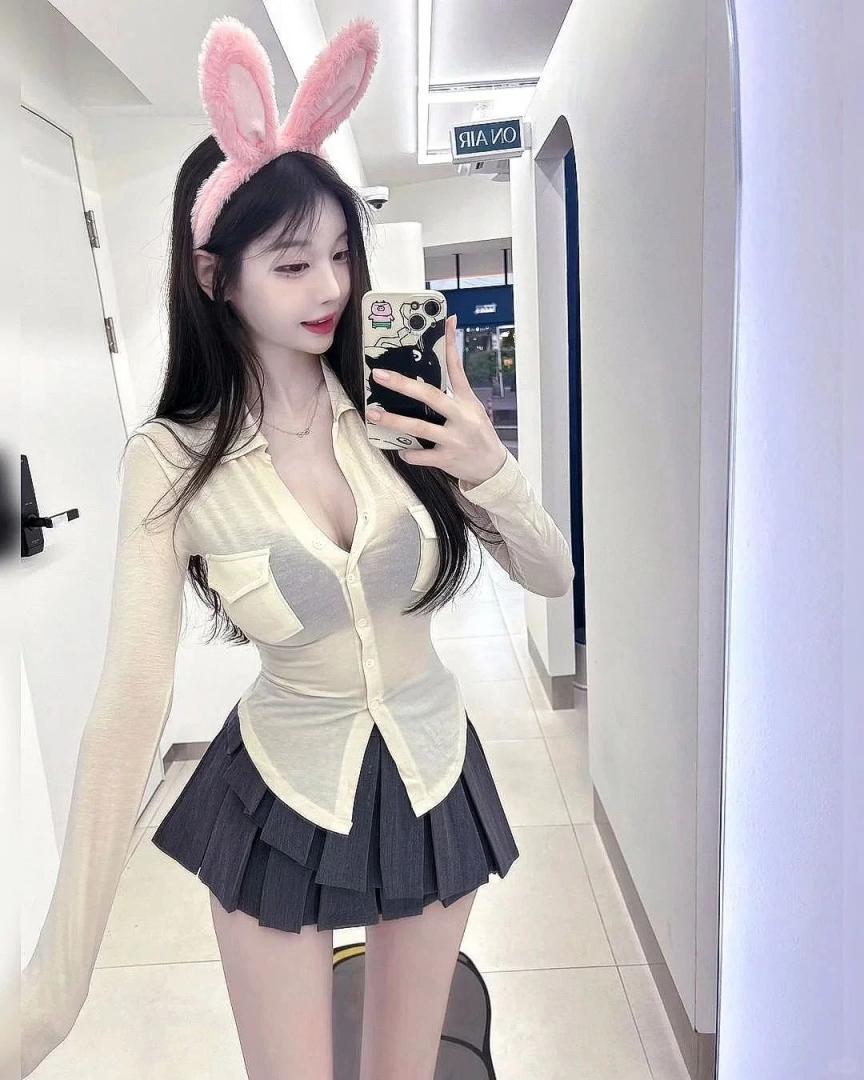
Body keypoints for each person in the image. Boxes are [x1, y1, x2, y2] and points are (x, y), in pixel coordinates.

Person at [19, 16, 575, 1079]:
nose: (329, 289)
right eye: (291, 263)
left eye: (339, 255)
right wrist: (52, 992)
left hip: (433, 774)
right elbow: (130, 706)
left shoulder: (398, 410)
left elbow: (552, 576)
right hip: (280, 793)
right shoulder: (172, 461)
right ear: (215, 277)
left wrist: (484, 461)